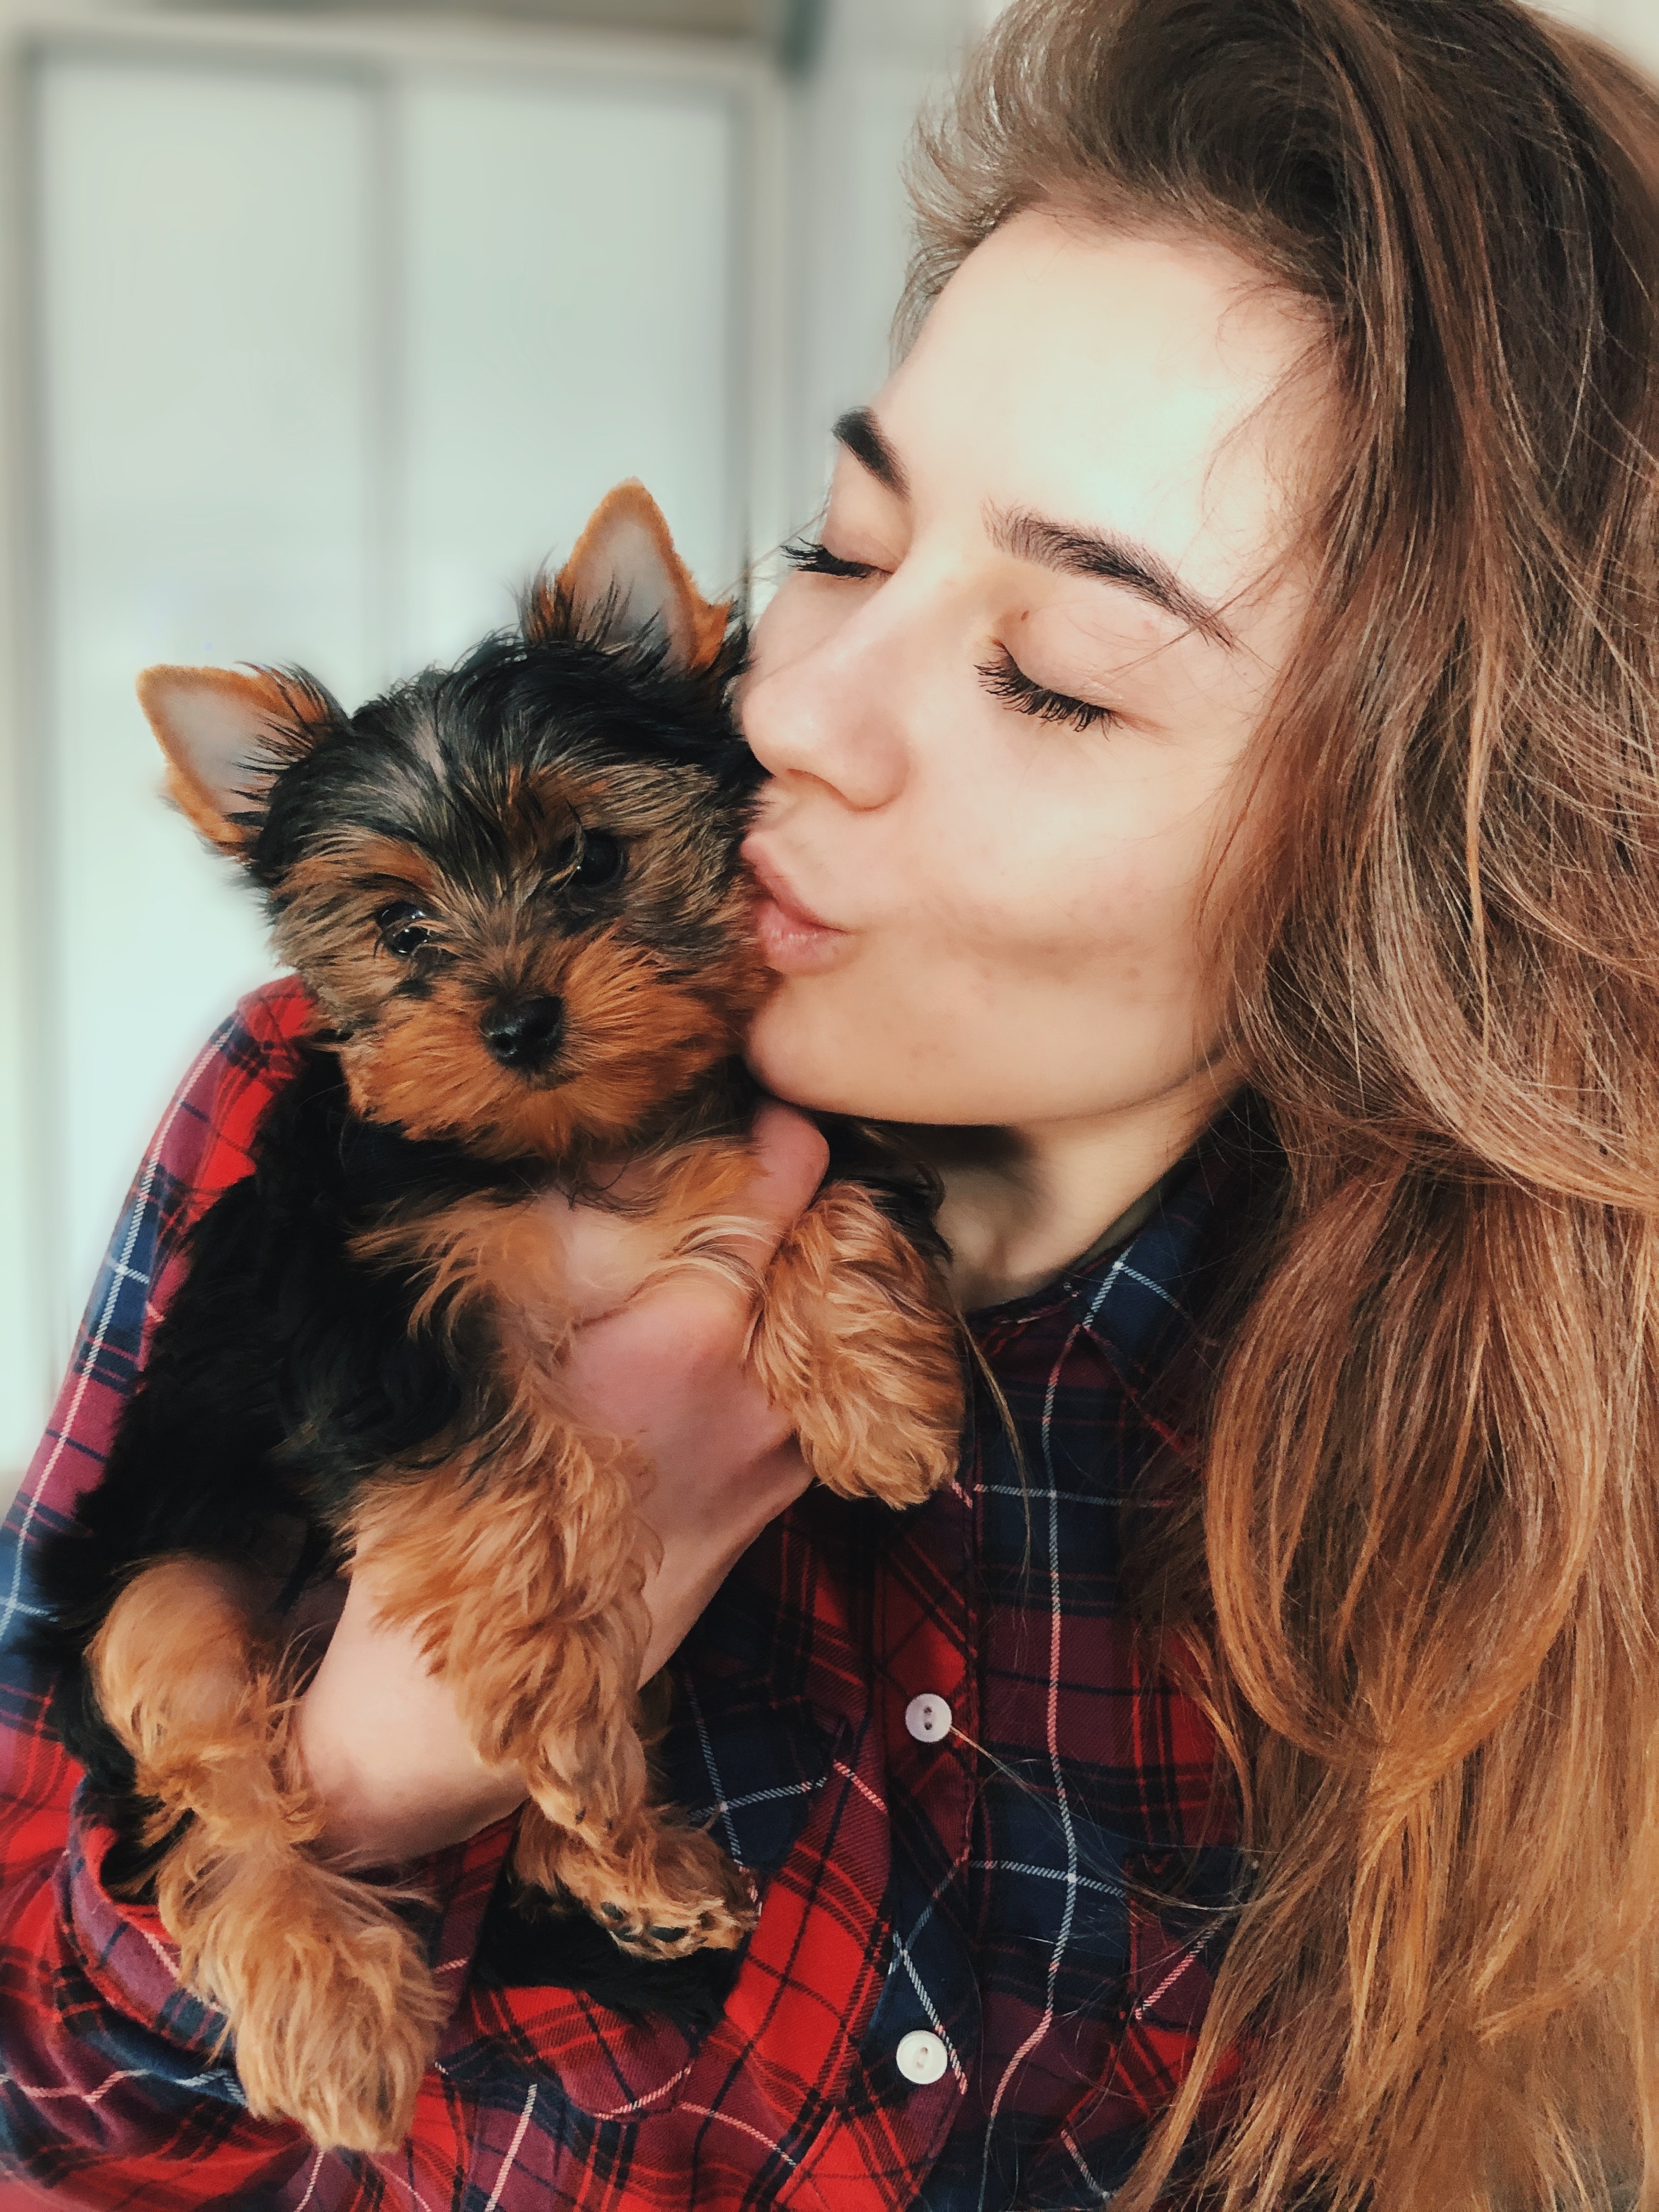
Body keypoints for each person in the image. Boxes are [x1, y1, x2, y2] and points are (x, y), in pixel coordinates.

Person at [4, 0, 1658, 2203]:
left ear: (1436, 869)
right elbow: (45, 2103)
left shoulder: (1505, 1415)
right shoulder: (310, 1123)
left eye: (1057, 678)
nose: (787, 707)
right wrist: (374, 1762)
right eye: (849, 545)